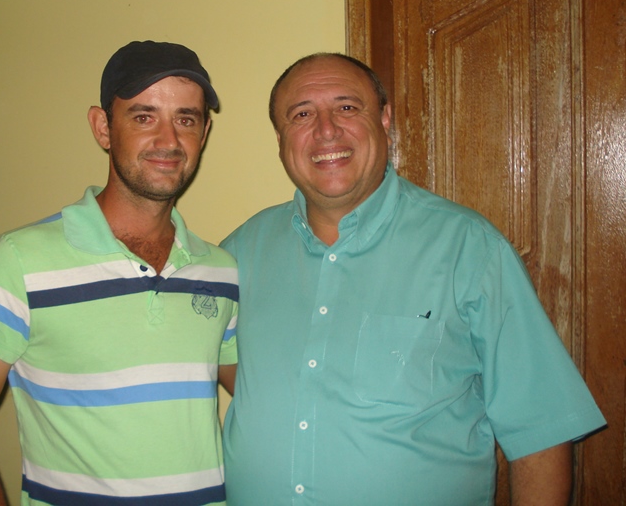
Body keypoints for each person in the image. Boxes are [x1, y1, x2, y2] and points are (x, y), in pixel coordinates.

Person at [221, 53, 605, 505]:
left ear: (384, 120)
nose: (326, 130)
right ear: (280, 137)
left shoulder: (469, 249)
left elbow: (541, 429)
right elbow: (216, 360)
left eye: (347, 107)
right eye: (302, 115)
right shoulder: (238, 253)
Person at [0, 40, 238, 506]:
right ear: (103, 128)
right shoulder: (18, 262)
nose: (169, 141)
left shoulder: (222, 271)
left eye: (186, 119)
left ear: (204, 131)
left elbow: (260, 394)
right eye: (144, 117)